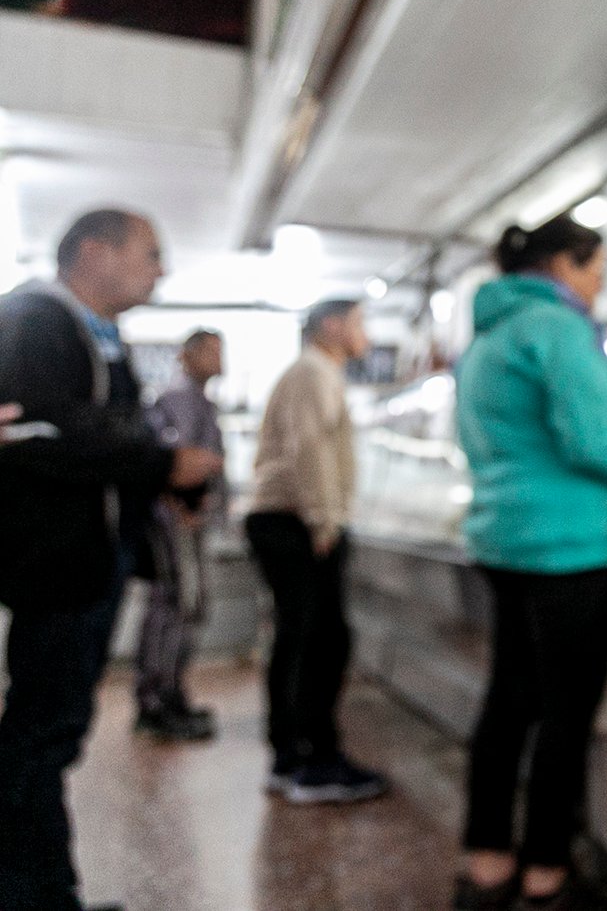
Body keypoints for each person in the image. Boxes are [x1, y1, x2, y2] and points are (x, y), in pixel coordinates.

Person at [0, 209, 222, 911]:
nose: (160, 269)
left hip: (92, 560)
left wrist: (163, 479)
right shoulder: (36, 319)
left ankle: (46, 890)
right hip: (55, 563)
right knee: (39, 733)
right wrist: (160, 463)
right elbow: (36, 431)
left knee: (56, 732)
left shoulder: (100, 334)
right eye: (150, 253)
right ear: (94, 252)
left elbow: (98, 429)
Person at [453, 217, 607, 911]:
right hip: (569, 546)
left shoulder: (488, 337)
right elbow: (591, 437)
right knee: (565, 712)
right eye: (597, 271)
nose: (600, 285)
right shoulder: (561, 328)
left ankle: (487, 861)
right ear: (565, 266)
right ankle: (546, 872)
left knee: (508, 701)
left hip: (504, 541)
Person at [246, 298, 389, 804]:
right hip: (296, 522)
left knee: (303, 638)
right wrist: (324, 519)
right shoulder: (313, 372)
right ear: (331, 325)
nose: (366, 333)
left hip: (293, 519)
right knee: (318, 642)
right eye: (359, 321)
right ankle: (311, 761)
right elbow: (309, 447)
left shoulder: (317, 372)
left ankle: (293, 755)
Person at [134, 328, 227, 741]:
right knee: (170, 605)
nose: (220, 360)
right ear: (187, 355)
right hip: (174, 523)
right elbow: (170, 461)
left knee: (184, 608)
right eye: (211, 351)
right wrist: (181, 506)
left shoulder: (199, 401)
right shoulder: (176, 399)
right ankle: (156, 701)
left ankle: (170, 693)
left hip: (189, 522)